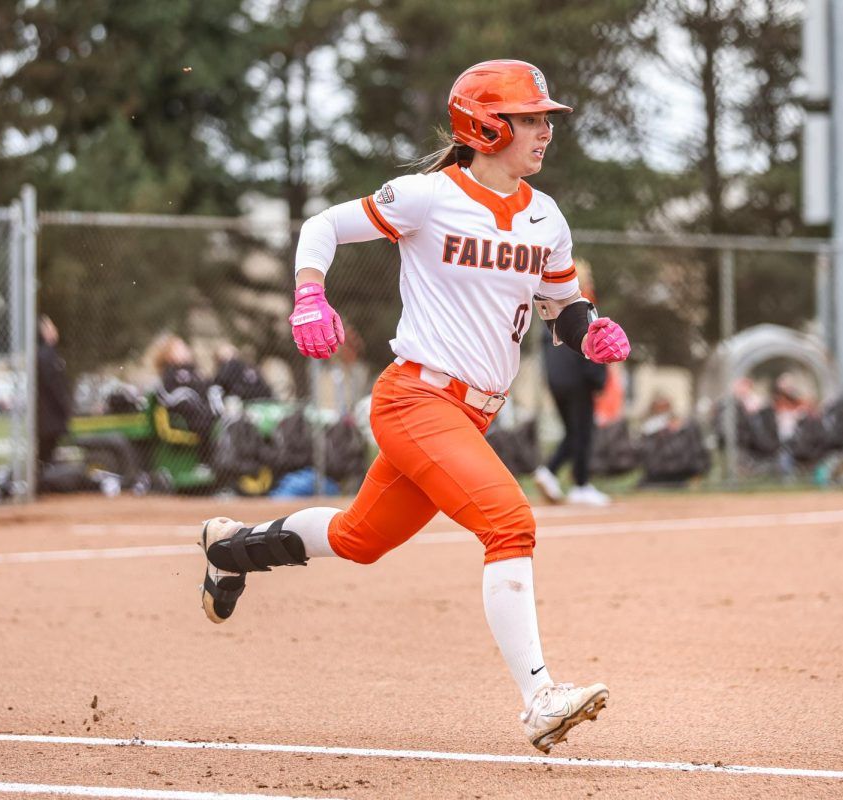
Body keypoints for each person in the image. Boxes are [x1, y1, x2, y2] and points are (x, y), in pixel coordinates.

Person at [195, 60, 630, 753]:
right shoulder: (428, 196)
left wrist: (587, 329)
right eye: (530, 118)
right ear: (487, 126)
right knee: (509, 523)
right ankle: (539, 698)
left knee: (360, 540)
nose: (545, 130)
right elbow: (322, 226)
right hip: (416, 399)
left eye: (546, 117)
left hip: (471, 413)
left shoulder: (547, 216)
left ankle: (229, 550)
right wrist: (310, 293)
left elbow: (560, 305)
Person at [532, 260, 610, 506]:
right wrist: (598, 381)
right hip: (578, 381)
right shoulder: (584, 308)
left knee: (573, 432)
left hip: (557, 382)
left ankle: (548, 472)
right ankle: (581, 484)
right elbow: (591, 347)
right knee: (583, 432)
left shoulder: (550, 310)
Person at [36, 315, 73, 469]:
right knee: (45, 451)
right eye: (50, 327)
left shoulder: (51, 354)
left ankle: (43, 474)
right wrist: (66, 406)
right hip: (49, 416)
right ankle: (41, 480)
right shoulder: (46, 355)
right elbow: (54, 385)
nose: (55, 330)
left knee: (48, 452)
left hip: (51, 416)